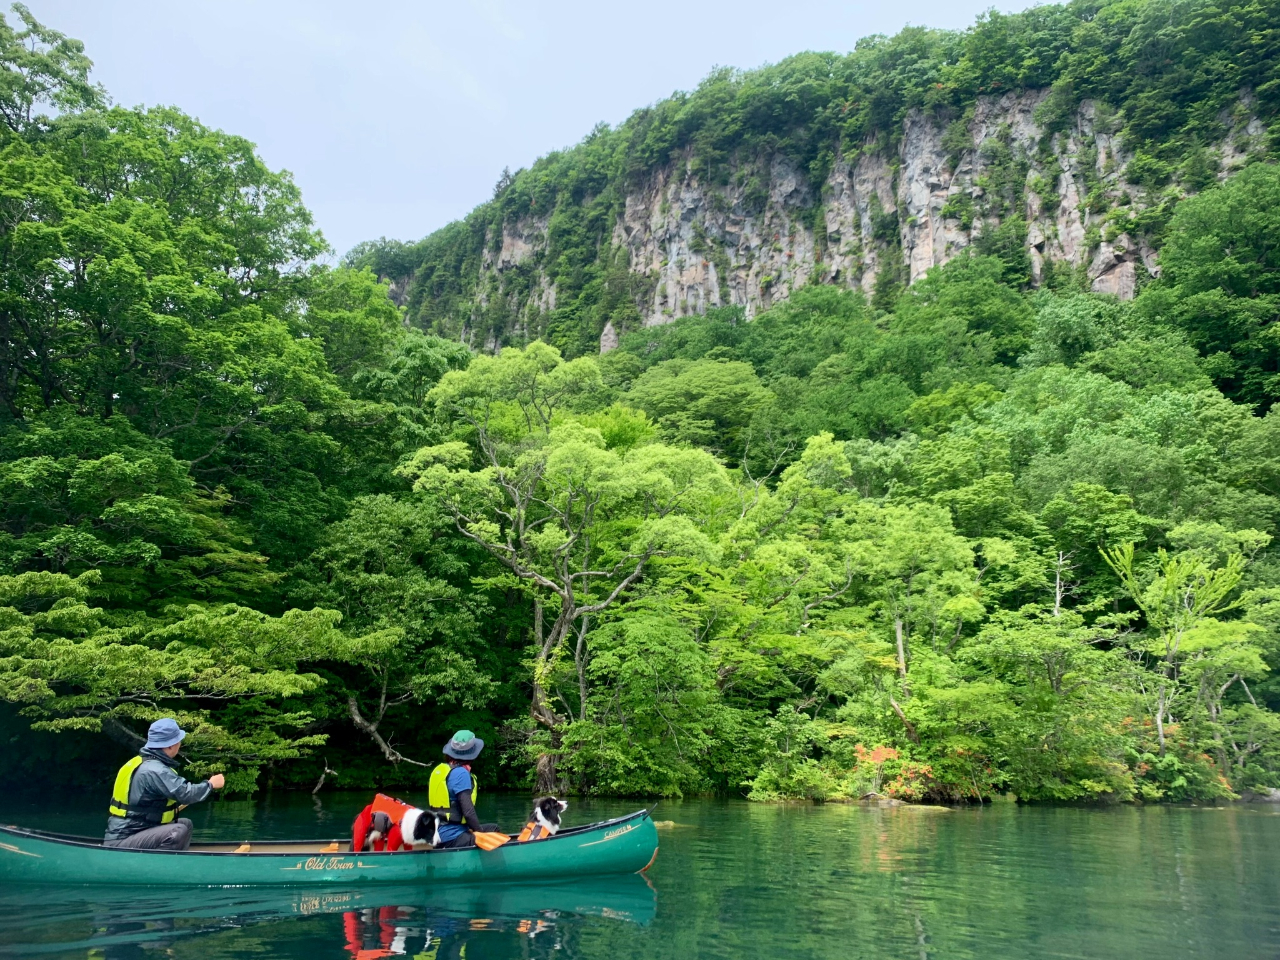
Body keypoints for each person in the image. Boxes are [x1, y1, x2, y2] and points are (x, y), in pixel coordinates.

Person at [103, 718, 224, 850]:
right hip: (124, 839)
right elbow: (185, 794)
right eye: (178, 741)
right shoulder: (155, 770)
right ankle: (159, 863)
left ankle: (177, 860)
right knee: (178, 831)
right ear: (170, 745)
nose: (180, 744)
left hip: (139, 831)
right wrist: (210, 784)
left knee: (186, 824)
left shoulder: (141, 762)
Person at [428, 730, 499, 849]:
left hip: (436, 834)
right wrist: (481, 834)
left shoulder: (441, 771)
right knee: (493, 831)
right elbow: (468, 812)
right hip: (452, 837)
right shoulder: (461, 773)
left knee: (492, 828)